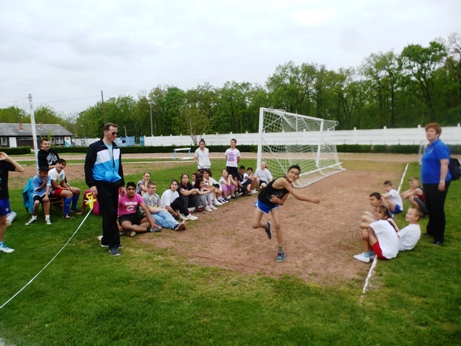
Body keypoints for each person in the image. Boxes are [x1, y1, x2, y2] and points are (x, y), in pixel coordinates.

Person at [252, 164, 320, 262]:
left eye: (296, 174)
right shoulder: (283, 181)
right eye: (292, 172)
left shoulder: (290, 186)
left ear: (298, 177)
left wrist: (277, 201)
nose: (293, 175)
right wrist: (313, 200)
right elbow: (298, 196)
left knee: (278, 224)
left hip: (274, 203)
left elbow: (282, 202)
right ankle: (266, 226)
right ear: (287, 173)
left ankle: (280, 251)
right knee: (254, 225)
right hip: (263, 201)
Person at [84, 123, 126, 256]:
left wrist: (122, 184)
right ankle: (114, 244)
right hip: (101, 184)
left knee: (111, 214)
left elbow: (119, 167)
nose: (115, 135)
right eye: (113, 133)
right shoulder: (94, 147)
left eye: (116, 133)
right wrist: (91, 184)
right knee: (109, 212)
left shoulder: (116, 148)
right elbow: (88, 166)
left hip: (114, 183)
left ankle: (106, 240)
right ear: (105, 132)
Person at [421, 123, 451, 245]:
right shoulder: (430, 146)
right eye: (427, 131)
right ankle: (431, 230)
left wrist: (442, 181)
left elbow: (444, 163)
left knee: (437, 208)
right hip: (428, 182)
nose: (428, 133)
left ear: (437, 134)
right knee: (430, 207)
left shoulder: (440, 146)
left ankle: (439, 237)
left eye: (432, 131)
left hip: (437, 182)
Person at [0, 152, 24, 253]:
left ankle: (1, 244)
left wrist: (8, 158)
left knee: (2, 221)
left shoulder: (3, 163)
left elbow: (21, 169)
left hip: (3, 196)